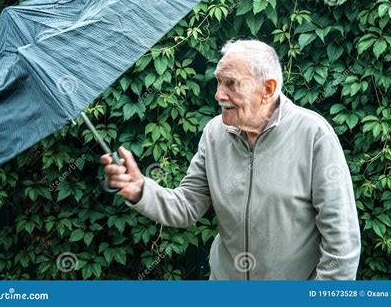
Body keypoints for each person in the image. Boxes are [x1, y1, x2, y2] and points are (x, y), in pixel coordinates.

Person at [100, 39, 361, 280]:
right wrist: (140, 190)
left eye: (231, 83)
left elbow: (342, 241)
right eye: (218, 82)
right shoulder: (215, 133)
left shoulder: (313, 134)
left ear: (267, 89)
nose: (218, 94)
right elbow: (187, 205)